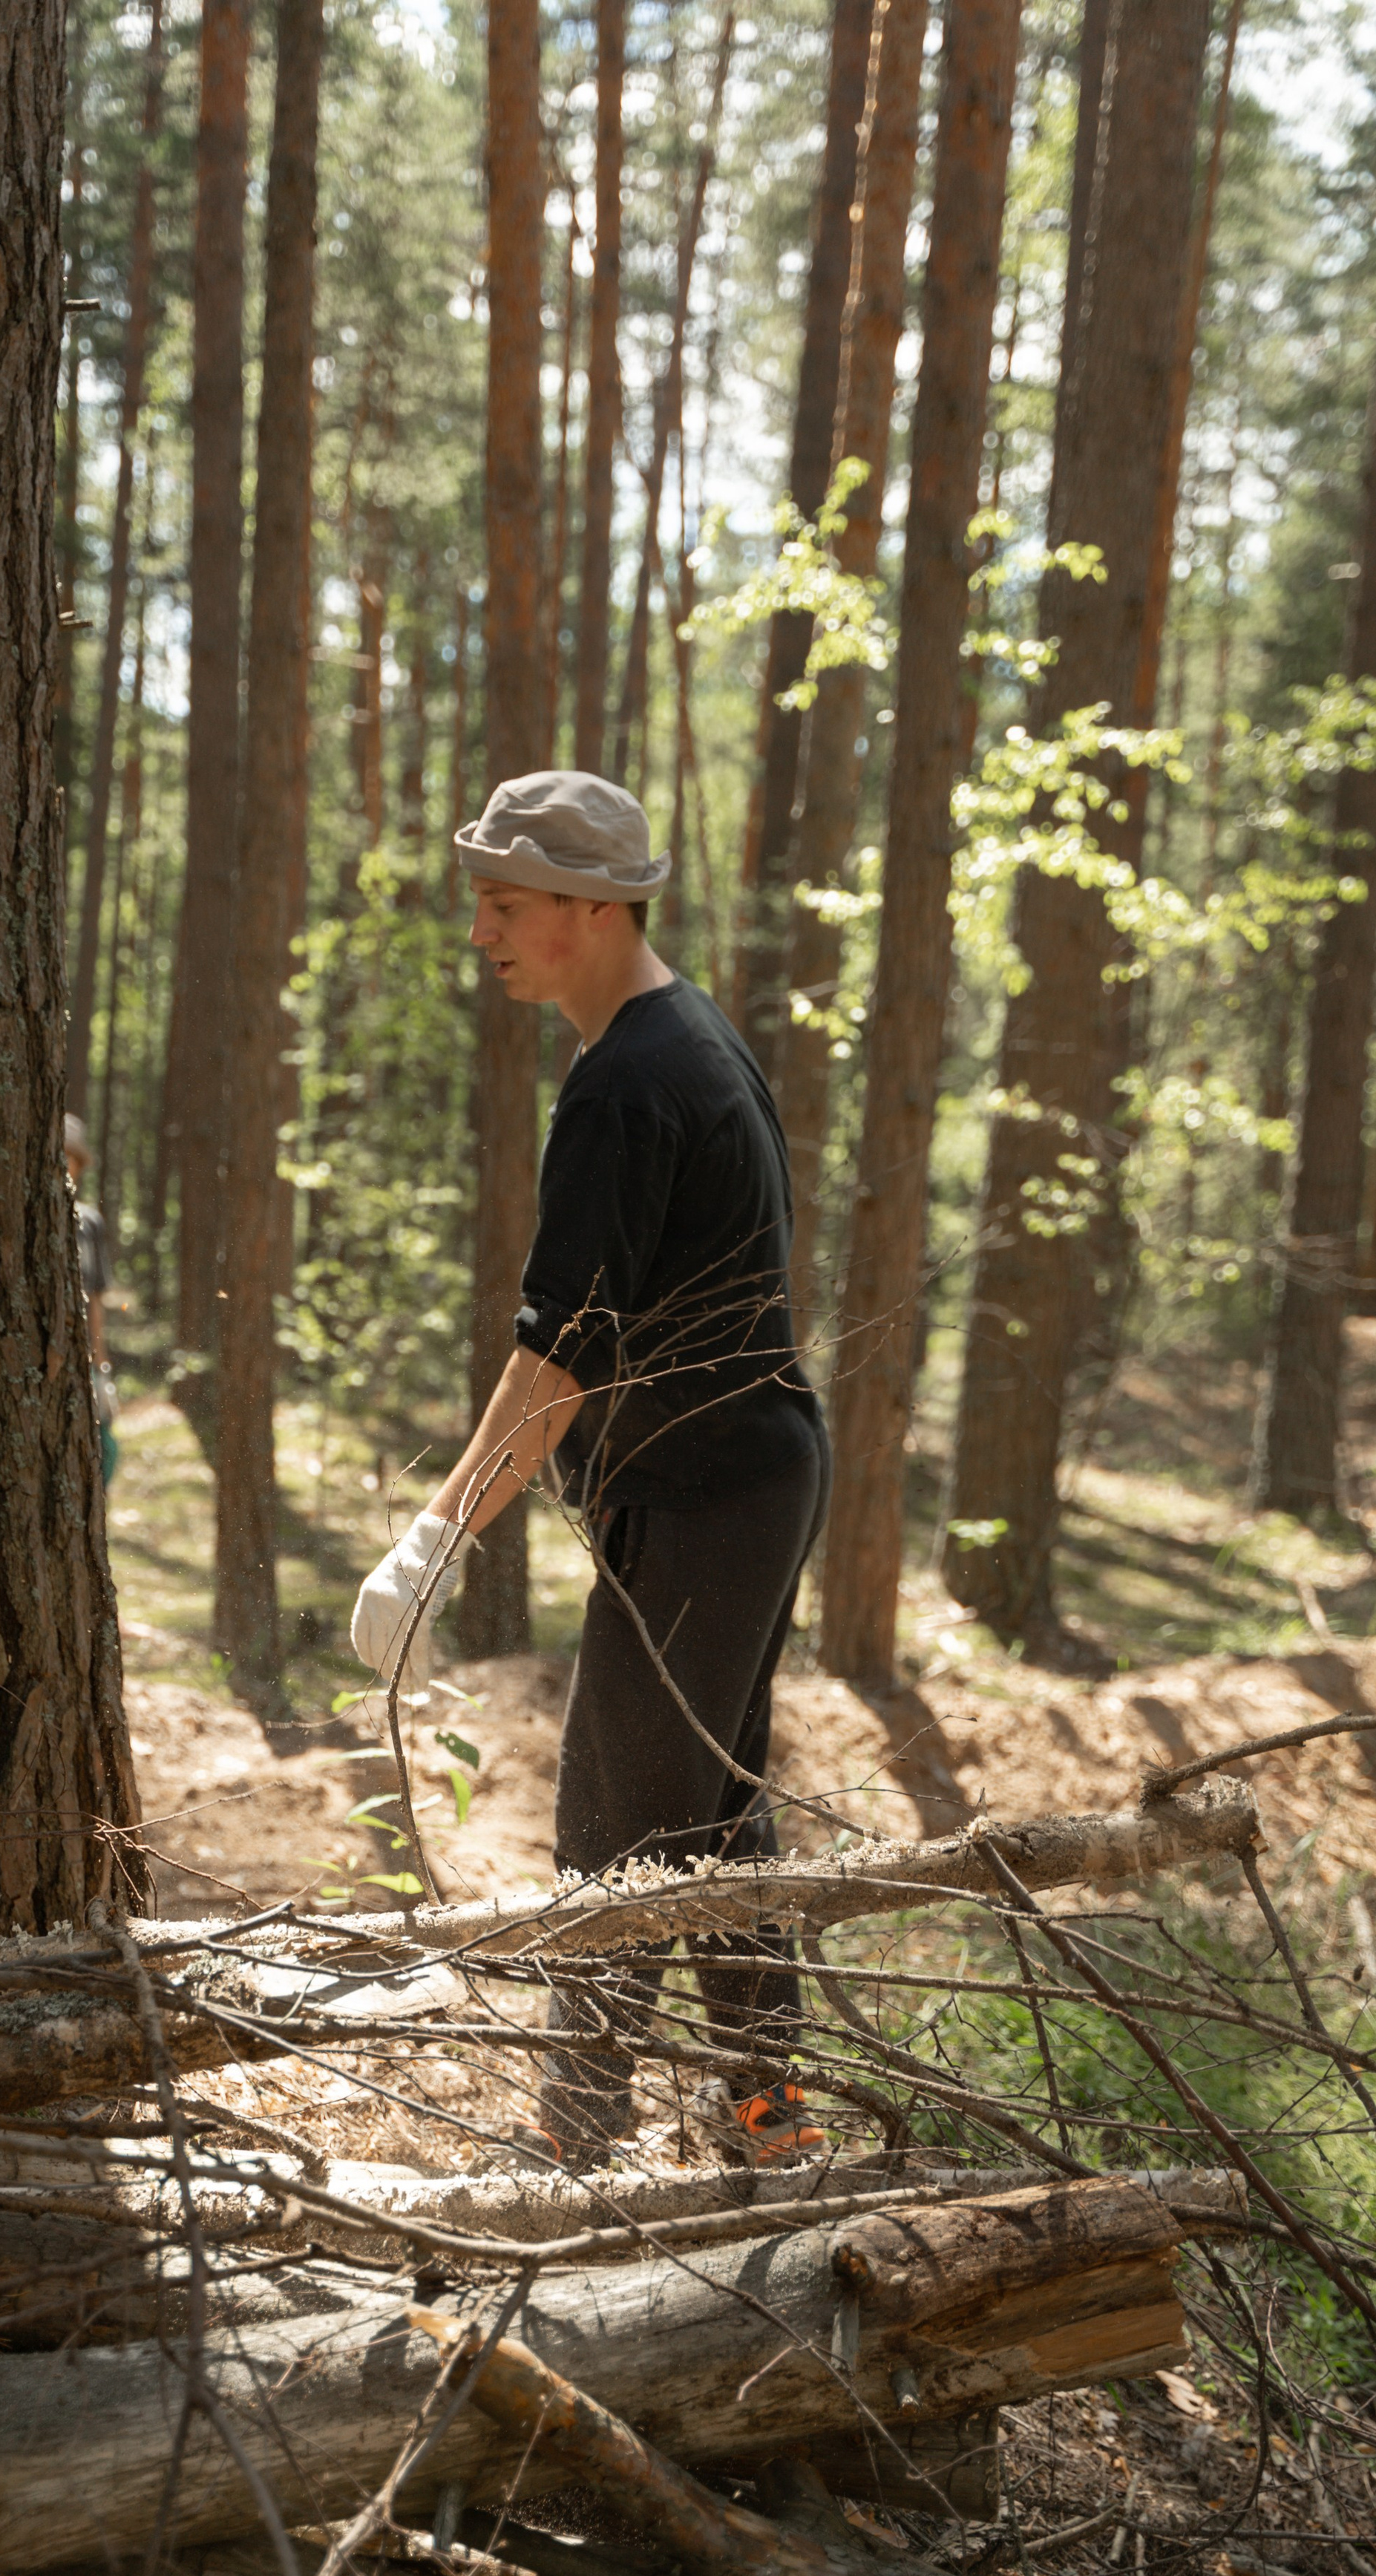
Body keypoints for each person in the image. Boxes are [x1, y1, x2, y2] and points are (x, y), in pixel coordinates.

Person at [350, 770, 831, 2168]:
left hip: (707, 1496)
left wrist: (437, 1538)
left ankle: (572, 2146)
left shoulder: (630, 1080)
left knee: (616, 1830)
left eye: (507, 904)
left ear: (595, 906)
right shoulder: (680, 1039)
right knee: (713, 1817)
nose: (483, 931)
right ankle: (770, 2119)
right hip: (743, 1481)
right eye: (482, 903)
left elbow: (559, 1350)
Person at [65, 1114, 119, 1488]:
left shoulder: (90, 1222)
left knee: (104, 1449)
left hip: (83, 1355)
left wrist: (101, 1365)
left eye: (70, 1157)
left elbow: (96, 1300)